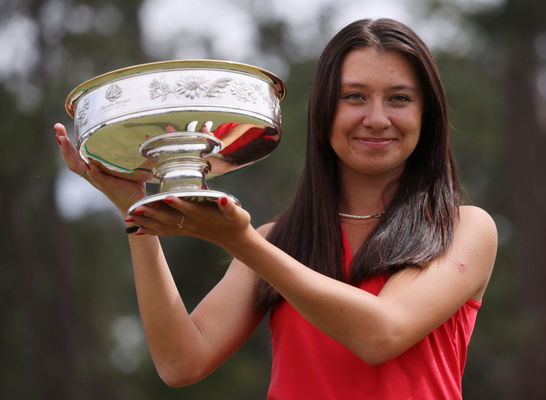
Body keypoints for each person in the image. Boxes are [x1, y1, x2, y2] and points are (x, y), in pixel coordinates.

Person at [55, 18, 497, 400]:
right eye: (354, 97)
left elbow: (381, 334)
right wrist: (136, 211)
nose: (377, 118)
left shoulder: (463, 229)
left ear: (427, 115)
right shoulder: (278, 240)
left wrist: (240, 241)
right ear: (323, 111)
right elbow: (180, 361)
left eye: (399, 98)